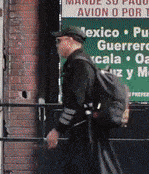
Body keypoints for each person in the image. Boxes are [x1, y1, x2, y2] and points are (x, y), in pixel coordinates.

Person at [46, 26, 122, 174]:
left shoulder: (79, 65)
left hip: (84, 131)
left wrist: (58, 129)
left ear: (70, 40)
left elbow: (75, 102)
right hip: (84, 129)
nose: (57, 45)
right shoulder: (79, 62)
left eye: (59, 41)